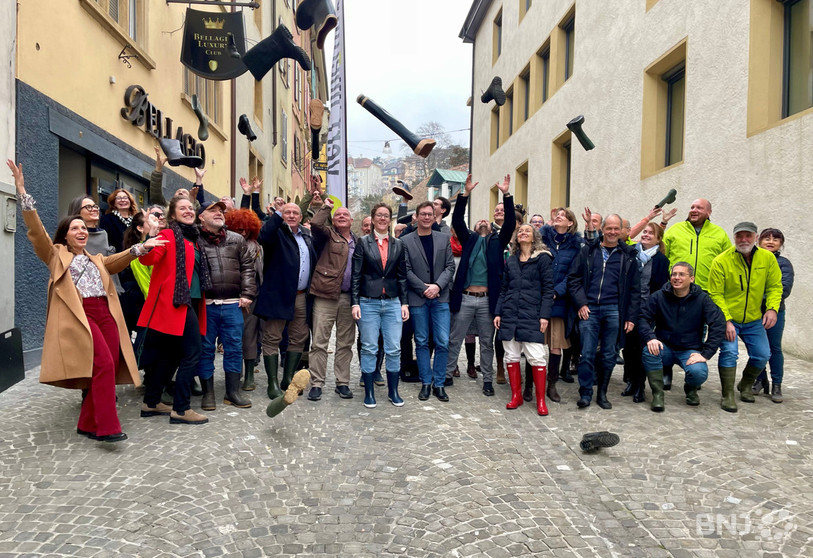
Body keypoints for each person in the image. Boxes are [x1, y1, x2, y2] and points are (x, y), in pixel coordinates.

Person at [9, 160, 164, 442]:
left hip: (106, 313)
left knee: (109, 362)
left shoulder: (95, 258)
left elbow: (115, 261)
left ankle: (85, 422)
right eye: (74, 228)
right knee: (103, 363)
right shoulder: (57, 255)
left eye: (83, 228)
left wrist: (141, 247)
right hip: (81, 315)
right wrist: (22, 192)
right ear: (65, 235)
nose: (81, 231)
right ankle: (106, 426)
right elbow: (38, 234)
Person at [137, 196, 210, 425]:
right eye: (182, 208)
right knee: (192, 353)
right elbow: (148, 260)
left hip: (191, 303)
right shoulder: (168, 235)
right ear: (172, 215)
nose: (187, 210)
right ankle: (181, 408)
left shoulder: (194, 239)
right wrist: (149, 238)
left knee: (170, 356)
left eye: (190, 207)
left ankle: (151, 402)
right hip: (175, 305)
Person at [446, 174, 515, 396]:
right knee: (454, 339)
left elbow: (511, 223)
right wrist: (465, 194)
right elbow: (457, 221)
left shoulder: (497, 241)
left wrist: (506, 195)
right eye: (479, 221)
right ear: (474, 227)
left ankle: (487, 379)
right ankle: (447, 374)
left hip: (487, 300)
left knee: (487, 342)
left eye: (486, 221)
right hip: (465, 297)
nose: (484, 221)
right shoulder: (469, 240)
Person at [568, 213, 641, 409]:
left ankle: (602, 393)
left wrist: (631, 317)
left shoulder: (628, 256)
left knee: (609, 354)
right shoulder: (588, 251)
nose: (612, 232)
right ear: (602, 229)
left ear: (622, 231)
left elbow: (635, 291)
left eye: (616, 228)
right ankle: (585, 393)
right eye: (609, 228)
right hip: (590, 308)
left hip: (615, 310)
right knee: (587, 353)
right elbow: (573, 279)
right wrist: (581, 303)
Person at [708, 221, 782, 412]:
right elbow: (715, 294)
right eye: (739, 236)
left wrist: (772, 308)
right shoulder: (721, 261)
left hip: (753, 319)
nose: (743, 239)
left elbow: (775, 286)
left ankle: (746, 385)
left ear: (756, 237)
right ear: (734, 238)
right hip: (728, 319)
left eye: (748, 235)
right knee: (730, 353)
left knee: (763, 354)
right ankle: (728, 395)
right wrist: (726, 320)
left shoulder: (767, 259)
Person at [639, 262, 726, 411]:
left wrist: (705, 354)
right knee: (649, 351)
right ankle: (658, 394)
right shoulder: (659, 296)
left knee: (698, 372)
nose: (676, 278)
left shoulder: (703, 299)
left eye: (681, 274)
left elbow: (718, 324)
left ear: (691, 278)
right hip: (664, 346)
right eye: (674, 274)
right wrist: (650, 337)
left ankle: (690, 389)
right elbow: (642, 317)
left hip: (689, 350)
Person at [196, 201, 257, 411]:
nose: (219, 214)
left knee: (234, 349)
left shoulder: (236, 239)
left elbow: (248, 268)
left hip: (232, 304)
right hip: (206, 305)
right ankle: (208, 393)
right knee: (205, 350)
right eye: (212, 211)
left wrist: (248, 293)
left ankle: (232, 392)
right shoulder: (194, 239)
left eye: (221, 211)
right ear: (201, 216)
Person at [254, 200, 316, 398]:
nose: (291, 215)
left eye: (294, 213)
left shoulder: (306, 236)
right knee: (272, 338)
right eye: (287, 212)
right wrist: (277, 215)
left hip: (301, 296)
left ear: (301, 217)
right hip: (279, 295)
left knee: (298, 337)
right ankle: (272, 382)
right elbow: (262, 236)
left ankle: (287, 378)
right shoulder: (276, 233)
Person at [351, 203, 410, 408]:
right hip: (368, 302)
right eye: (379, 215)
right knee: (369, 348)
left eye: (386, 215)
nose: (383, 218)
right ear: (373, 218)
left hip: (393, 302)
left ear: (390, 219)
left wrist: (405, 303)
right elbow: (356, 275)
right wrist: (355, 303)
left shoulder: (398, 244)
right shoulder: (363, 243)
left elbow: (402, 276)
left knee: (394, 348)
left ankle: (393, 391)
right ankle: (369, 393)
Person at [494, 225, 554, 415]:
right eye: (520, 231)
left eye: (527, 230)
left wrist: (544, 315)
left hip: (532, 314)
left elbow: (548, 289)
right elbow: (504, 289)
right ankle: (516, 396)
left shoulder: (543, 259)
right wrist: (498, 312)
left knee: (536, 357)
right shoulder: (511, 260)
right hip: (510, 313)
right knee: (511, 356)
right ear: (516, 238)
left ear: (534, 236)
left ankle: (541, 401)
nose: (523, 233)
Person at [402, 201, 456, 402]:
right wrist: (424, 288)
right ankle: (426, 382)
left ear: (435, 217)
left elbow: (450, 267)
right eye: (422, 214)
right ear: (416, 217)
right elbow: (405, 270)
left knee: (442, 341)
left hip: (440, 297)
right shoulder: (406, 240)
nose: (426, 217)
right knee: (422, 342)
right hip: (418, 298)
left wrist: (437, 286)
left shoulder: (444, 238)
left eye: (429, 214)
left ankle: (439, 384)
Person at [307, 200, 358, 401]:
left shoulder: (358, 242)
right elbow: (316, 224)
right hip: (325, 296)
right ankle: (316, 383)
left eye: (345, 215)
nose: (342, 216)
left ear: (352, 220)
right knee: (319, 342)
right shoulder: (326, 235)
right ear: (332, 220)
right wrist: (326, 206)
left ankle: (342, 383)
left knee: (345, 343)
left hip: (348, 298)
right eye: (338, 215)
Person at [621, 222, 672, 403]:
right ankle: (631, 381)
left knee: (642, 348)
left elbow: (661, 289)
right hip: (628, 308)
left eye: (651, 233)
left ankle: (640, 386)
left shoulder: (661, 261)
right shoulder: (630, 253)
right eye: (645, 232)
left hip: (647, 310)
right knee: (628, 348)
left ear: (658, 239)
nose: (646, 235)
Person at [537, 207, 584, 402]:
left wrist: (557, 292)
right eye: (557, 214)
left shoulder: (575, 247)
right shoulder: (542, 240)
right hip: (538, 298)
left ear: (570, 223)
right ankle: (532, 385)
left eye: (563, 216)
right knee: (535, 345)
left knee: (555, 345)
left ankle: (552, 384)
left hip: (559, 301)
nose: (558, 216)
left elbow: (572, 274)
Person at [224, 208, 265, 392]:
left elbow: (258, 273)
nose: (242, 232)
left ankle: (249, 375)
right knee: (232, 339)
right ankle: (234, 375)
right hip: (228, 295)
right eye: (238, 228)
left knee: (250, 337)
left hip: (252, 297)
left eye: (246, 229)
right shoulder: (224, 244)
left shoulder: (256, 246)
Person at [752, 228, 794, 403]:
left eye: (775, 239)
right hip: (753, 312)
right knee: (757, 348)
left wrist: (764, 301)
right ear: (759, 241)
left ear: (781, 244)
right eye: (766, 238)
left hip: (775, 311)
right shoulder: (752, 259)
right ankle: (760, 380)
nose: (770, 241)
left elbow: (784, 288)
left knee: (774, 348)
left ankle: (777, 383)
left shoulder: (784, 264)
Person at [663, 198, 731, 290]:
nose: (694, 210)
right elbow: (661, 255)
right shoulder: (675, 229)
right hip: (677, 288)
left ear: (709, 212)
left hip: (707, 289)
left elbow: (728, 261)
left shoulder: (720, 233)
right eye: (692, 207)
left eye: (699, 208)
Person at [99, 188, 139, 253]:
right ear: (114, 203)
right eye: (118, 198)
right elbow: (104, 242)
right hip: (117, 258)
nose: (122, 200)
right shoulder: (106, 219)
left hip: (136, 257)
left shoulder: (137, 219)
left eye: (126, 198)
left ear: (130, 201)